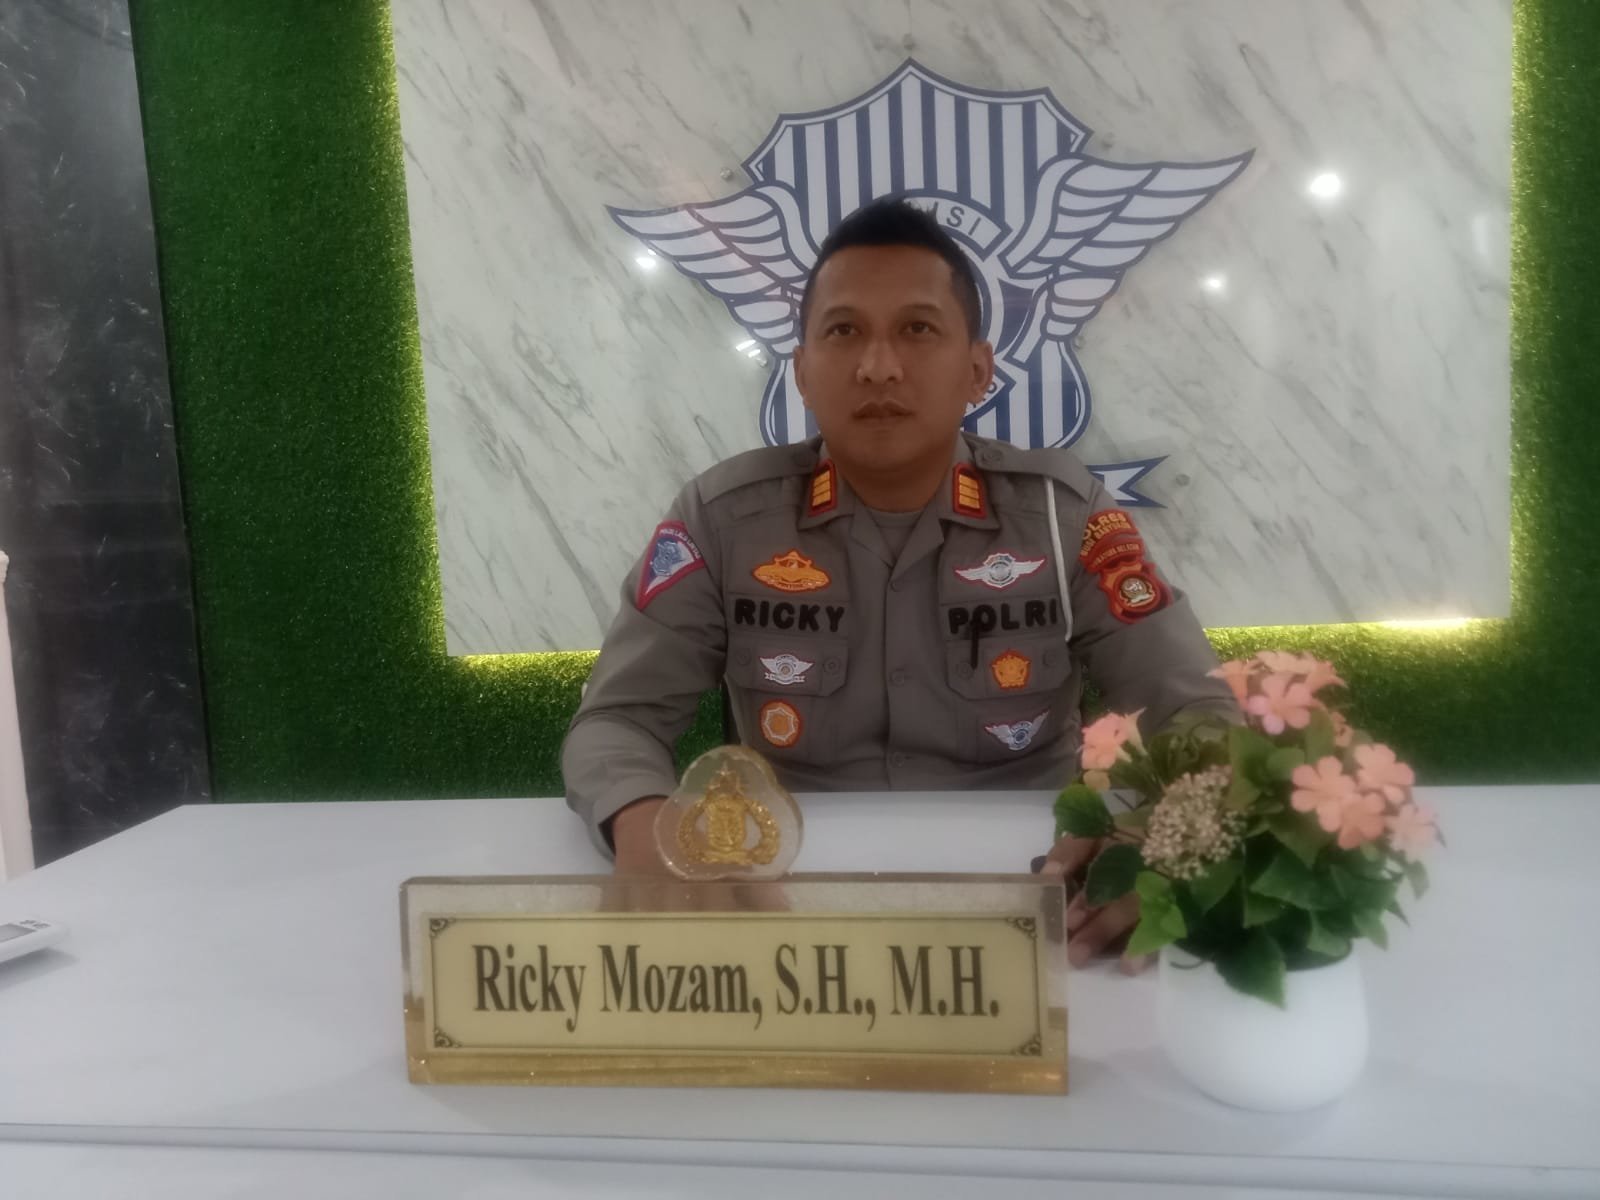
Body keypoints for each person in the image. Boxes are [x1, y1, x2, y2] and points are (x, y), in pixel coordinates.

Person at [562, 198, 1237, 970]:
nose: (878, 366)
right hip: (786, 894)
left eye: (917, 329)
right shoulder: (724, 520)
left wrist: (1155, 834)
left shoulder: (1063, 514)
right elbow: (615, 722)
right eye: (843, 331)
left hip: (1033, 897)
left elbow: (1201, 715)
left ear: (977, 369)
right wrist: (648, 828)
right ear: (802, 373)